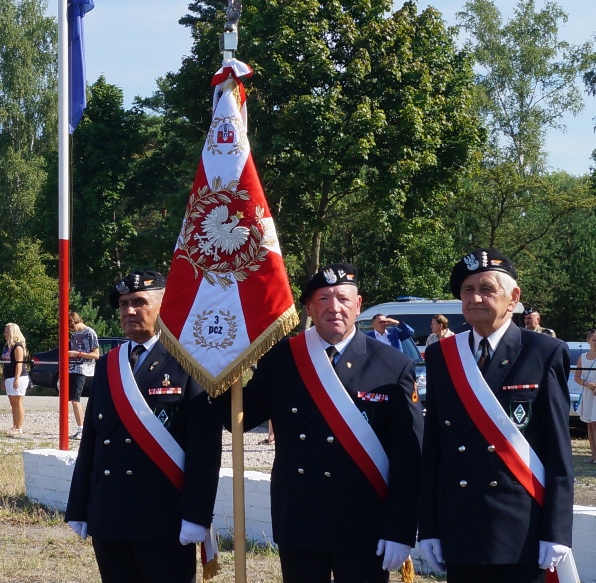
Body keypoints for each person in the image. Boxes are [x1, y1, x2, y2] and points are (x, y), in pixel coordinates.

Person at [215, 262, 423, 583]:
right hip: (300, 520)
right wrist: (217, 365)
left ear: (358, 304)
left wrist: (400, 530)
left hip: (365, 524)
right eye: (323, 299)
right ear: (309, 308)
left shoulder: (393, 366)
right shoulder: (282, 358)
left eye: (343, 298)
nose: (334, 307)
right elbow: (239, 418)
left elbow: (409, 457)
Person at [419, 248, 573, 582]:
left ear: (513, 298)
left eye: (487, 289)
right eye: (468, 290)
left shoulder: (544, 352)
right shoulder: (442, 355)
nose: (475, 298)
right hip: (459, 525)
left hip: (521, 530)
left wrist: (557, 531)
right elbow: (433, 449)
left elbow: (559, 452)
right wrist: (428, 527)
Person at [66, 270, 222, 583]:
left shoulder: (190, 362)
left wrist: (196, 515)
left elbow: (204, 450)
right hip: (109, 514)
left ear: (164, 306)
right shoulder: (108, 364)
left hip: (163, 518)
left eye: (139, 302)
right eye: (123, 304)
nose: (129, 310)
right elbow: (92, 442)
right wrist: (79, 506)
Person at [67, 312, 99, 440]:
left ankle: (82, 429)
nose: (71, 330)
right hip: (72, 368)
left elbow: (96, 355)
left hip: (83, 368)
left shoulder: (90, 333)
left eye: (71, 326)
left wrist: (78, 354)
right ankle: (79, 428)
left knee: (75, 399)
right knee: (71, 399)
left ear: (76, 321)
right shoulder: (74, 335)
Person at [2, 323, 29, 435]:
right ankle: (15, 425)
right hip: (9, 377)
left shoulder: (18, 346)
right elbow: (4, 364)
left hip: (18, 377)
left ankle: (19, 427)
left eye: (6, 332)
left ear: (12, 333)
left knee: (18, 403)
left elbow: (19, 363)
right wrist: (3, 379)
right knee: (13, 403)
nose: (4, 334)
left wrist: (16, 378)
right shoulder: (7, 347)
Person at [576, 328, 596, 464]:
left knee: (595, 423)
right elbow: (577, 377)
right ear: (588, 341)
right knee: (589, 424)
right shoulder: (582, 357)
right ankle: (593, 455)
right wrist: (587, 384)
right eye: (594, 340)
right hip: (588, 392)